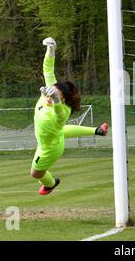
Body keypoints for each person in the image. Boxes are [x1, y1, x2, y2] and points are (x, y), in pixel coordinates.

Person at [30, 37, 108, 195]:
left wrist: (56, 101)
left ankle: (51, 183)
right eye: (52, 92)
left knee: (35, 174)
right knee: (61, 131)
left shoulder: (63, 110)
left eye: (55, 95)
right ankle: (97, 130)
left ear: (62, 99)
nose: (50, 96)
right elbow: (48, 69)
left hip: (49, 148)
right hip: (52, 135)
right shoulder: (48, 94)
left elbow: (58, 112)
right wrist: (50, 50)